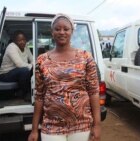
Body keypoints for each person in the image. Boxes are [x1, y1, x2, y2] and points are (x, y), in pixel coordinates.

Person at [28, 13, 101, 141]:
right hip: (51, 125)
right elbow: (39, 96)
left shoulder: (85, 57)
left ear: (72, 31)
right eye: (57, 29)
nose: (62, 32)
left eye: (66, 29)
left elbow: (94, 92)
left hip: (81, 124)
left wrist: (97, 125)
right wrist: (34, 130)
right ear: (52, 32)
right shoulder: (41, 60)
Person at [0, 30, 33, 101]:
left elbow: (32, 59)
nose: (22, 42)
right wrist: (32, 67)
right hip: (5, 74)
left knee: (29, 70)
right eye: (19, 40)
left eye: (24, 40)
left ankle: (31, 92)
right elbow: (19, 64)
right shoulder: (11, 47)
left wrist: (35, 65)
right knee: (24, 70)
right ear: (14, 41)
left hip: (17, 72)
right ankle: (24, 93)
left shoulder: (26, 47)